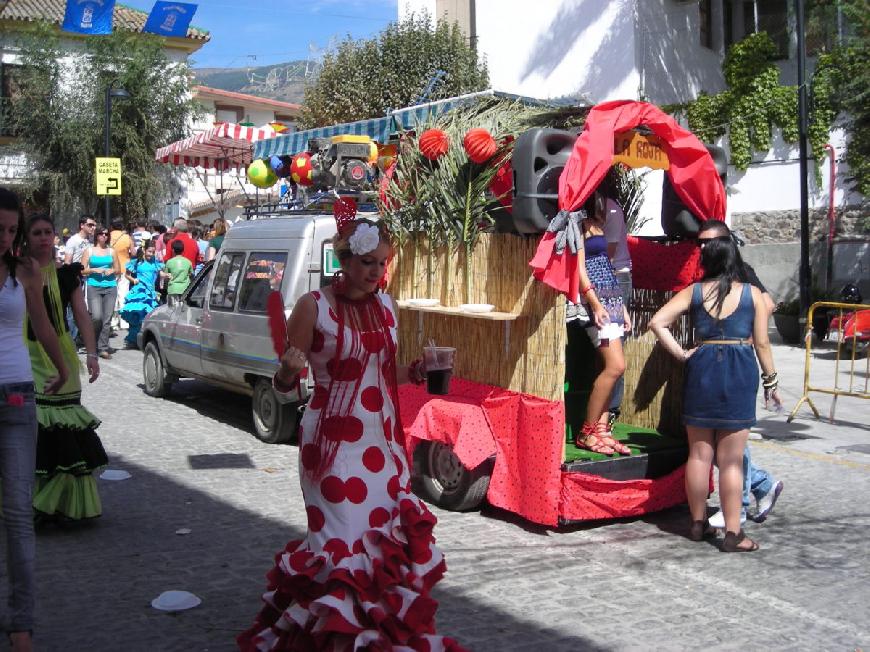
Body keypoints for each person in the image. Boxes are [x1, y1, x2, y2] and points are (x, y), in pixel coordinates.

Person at [238, 217, 464, 651]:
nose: (376, 272)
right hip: (332, 447)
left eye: (382, 263)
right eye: (366, 262)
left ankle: (371, 636)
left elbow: (379, 371)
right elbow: (286, 385)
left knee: (379, 541)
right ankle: (332, 638)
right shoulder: (313, 307)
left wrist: (415, 372)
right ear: (343, 260)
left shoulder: (387, 307)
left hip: (382, 444)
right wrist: (287, 370)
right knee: (340, 542)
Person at [649, 220, 781, 552]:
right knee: (732, 460)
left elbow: (656, 322)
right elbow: (762, 344)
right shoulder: (752, 294)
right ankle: (734, 535)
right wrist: (772, 381)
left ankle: (697, 524)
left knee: (699, 454)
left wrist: (682, 354)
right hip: (739, 368)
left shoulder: (693, 292)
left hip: (702, 365)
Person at [0, 188, 68, 652]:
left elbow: (42, 325)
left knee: (18, 514)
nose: (5, 238)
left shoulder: (25, 271)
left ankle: (21, 622)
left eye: (10, 230)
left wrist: (63, 367)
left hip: (17, 397)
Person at [22, 214, 107, 523]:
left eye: (48, 232)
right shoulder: (17, 272)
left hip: (63, 354)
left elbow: (82, 316)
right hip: (28, 353)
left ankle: (63, 502)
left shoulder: (67, 274)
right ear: (27, 237)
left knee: (66, 424)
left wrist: (93, 354)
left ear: (54, 236)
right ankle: (35, 501)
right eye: (37, 233)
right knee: (38, 425)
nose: (43, 237)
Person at [707, 257, 783, 529]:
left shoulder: (742, 272)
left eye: (708, 242)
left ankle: (737, 507)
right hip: (711, 366)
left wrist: (744, 337)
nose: (703, 248)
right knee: (719, 443)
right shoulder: (707, 276)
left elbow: (768, 305)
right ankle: (762, 484)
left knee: (731, 441)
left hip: (737, 365)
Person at [571, 194, 632, 456]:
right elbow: (579, 268)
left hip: (611, 296)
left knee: (611, 367)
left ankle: (601, 430)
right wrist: (594, 303)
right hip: (596, 301)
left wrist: (622, 306)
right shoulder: (576, 223)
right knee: (616, 365)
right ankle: (586, 431)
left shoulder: (596, 222)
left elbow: (606, 264)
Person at [81, 226, 121, 359]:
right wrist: (93, 270)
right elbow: (82, 270)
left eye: (106, 234)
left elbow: (118, 269)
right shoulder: (89, 251)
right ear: (97, 236)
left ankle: (102, 347)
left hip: (110, 286)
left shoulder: (111, 251)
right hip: (94, 286)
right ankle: (92, 343)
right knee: (96, 317)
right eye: (101, 234)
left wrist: (112, 271)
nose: (104, 236)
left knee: (107, 319)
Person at [120, 243, 166, 348]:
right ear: (144, 250)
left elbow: (160, 273)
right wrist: (133, 279)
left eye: (153, 252)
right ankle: (133, 340)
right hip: (139, 291)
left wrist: (166, 275)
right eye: (149, 251)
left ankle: (144, 339)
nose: (151, 254)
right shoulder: (137, 262)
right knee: (137, 315)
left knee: (148, 316)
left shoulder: (155, 262)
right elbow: (127, 274)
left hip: (150, 292)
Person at [109, 219, 135, 332]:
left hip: (111, 268)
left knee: (112, 295)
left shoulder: (107, 236)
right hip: (125, 268)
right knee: (123, 294)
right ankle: (124, 322)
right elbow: (133, 253)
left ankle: (112, 322)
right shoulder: (127, 237)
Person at [164, 239, 192, 306]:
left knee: (171, 311)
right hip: (185, 290)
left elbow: (166, 276)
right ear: (183, 250)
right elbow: (191, 274)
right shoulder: (188, 262)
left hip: (173, 289)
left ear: (173, 250)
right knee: (184, 311)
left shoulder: (169, 262)